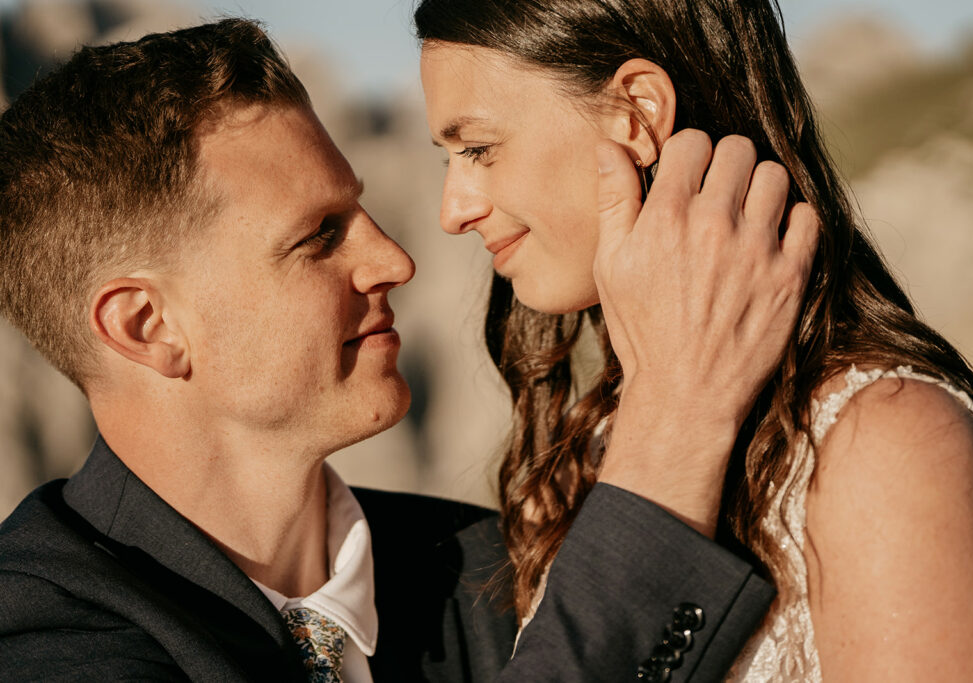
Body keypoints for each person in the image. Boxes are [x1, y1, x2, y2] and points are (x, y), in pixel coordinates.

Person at [0, 18, 818, 682]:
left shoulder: (495, 567)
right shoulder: (38, 639)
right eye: (319, 236)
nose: (394, 260)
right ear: (146, 325)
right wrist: (671, 428)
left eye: (360, 214)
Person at [415, 0, 973, 680]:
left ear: (636, 113)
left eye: (479, 149)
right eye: (448, 159)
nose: (453, 211)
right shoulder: (593, 452)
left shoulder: (882, 440)